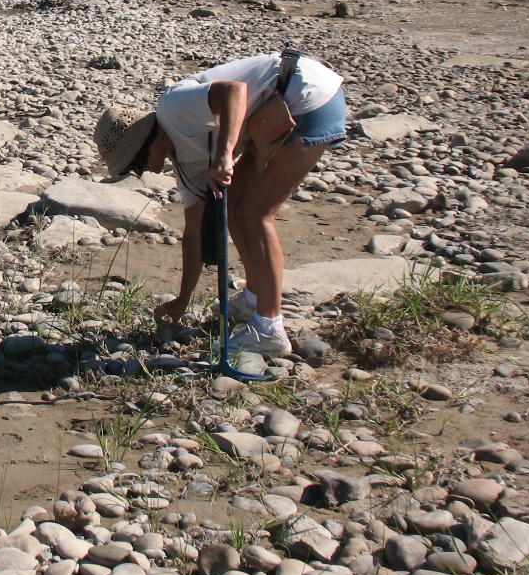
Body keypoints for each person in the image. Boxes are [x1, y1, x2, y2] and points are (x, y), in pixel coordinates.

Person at [93, 51, 347, 351]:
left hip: (307, 95)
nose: (142, 172)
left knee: (255, 214)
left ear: (143, 142)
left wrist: (225, 156)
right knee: (236, 203)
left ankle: (268, 332)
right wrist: (182, 301)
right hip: (280, 110)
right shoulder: (187, 167)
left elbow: (234, 92)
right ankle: (254, 300)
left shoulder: (173, 106)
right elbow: (194, 234)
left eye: (134, 164)